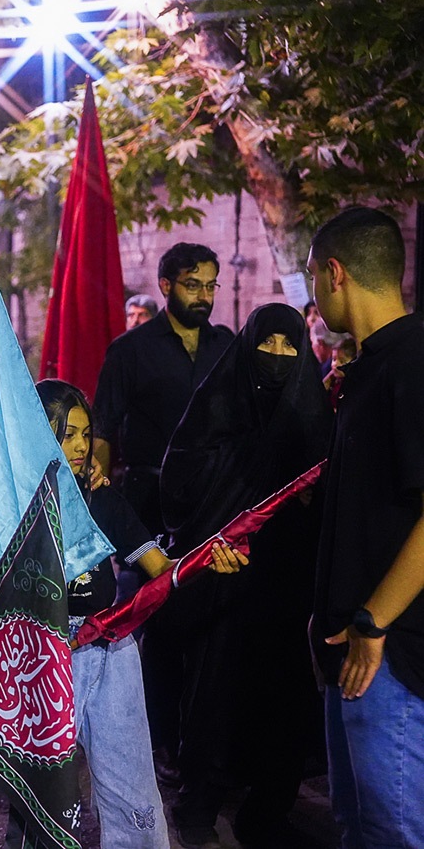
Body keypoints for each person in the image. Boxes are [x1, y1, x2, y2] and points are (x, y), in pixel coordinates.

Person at [32, 380, 247, 849]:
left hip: (111, 647)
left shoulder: (102, 498)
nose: (80, 447)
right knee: (42, 793)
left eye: (85, 434)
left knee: (129, 781)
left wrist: (208, 560)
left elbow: (160, 569)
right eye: (65, 435)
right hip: (45, 653)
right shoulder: (14, 505)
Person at [159, 304, 332, 847]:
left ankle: (268, 811)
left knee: (281, 697)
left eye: (289, 345)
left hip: (286, 584)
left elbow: (329, 497)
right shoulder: (217, 405)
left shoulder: (312, 414)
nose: (277, 355)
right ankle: (198, 807)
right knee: (214, 692)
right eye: (267, 343)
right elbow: (179, 486)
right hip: (223, 580)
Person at [306, 206, 424, 848]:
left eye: (312, 278)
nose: (314, 295)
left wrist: (374, 622)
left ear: (335, 273)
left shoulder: (411, 362)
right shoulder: (369, 367)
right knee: (359, 828)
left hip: (390, 656)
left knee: (394, 832)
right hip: (352, 650)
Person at [92, 243, 234, 770]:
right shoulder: (130, 351)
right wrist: (95, 491)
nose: (204, 296)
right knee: (156, 619)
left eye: (211, 285)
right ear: (167, 285)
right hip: (147, 504)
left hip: (212, 503)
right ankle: (159, 741)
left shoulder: (227, 347)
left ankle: (206, 739)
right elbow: (103, 428)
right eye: (193, 285)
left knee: (211, 621)